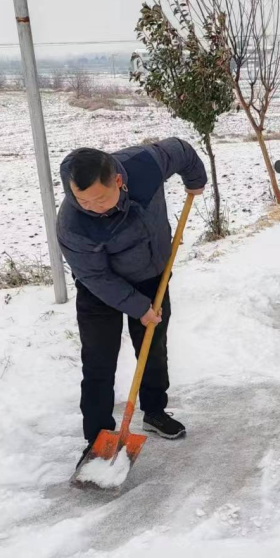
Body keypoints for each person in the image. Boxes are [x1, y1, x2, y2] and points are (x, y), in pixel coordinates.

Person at [56, 139, 207, 463]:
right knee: (98, 362)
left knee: (153, 349)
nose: (91, 207)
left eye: (100, 198)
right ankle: (98, 437)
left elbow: (181, 151)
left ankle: (154, 411)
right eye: (82, 200)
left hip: (152, 276)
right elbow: (96, 277)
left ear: (118, 180)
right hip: (101, 292)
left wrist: (195, 180)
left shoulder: (145, 165)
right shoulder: (72, 224)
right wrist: (139, 308)